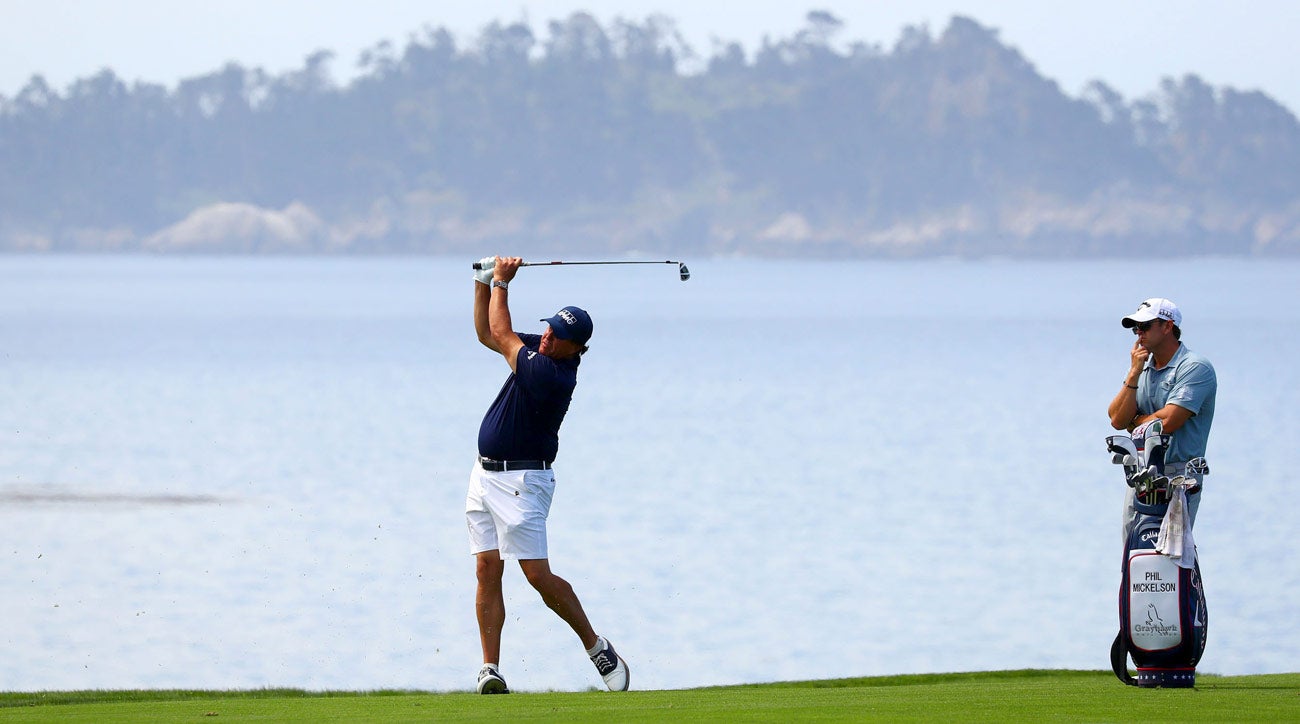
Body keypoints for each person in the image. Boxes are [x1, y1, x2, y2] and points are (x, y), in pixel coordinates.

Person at [465, 255, 629, 695]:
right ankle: (490, 669)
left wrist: (501, 281)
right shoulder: (545, 346)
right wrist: (482, 280)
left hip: (523, 483)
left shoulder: (554, 374)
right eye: (550, 327)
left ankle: (596, 647)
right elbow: (487, 334)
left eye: (558, 334)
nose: (549, 334)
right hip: (484, 478)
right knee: (486, 570)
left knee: (536, 575)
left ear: (576, 348)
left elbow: (500, 332)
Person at [1107, 297, 1217, 538]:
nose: (1138, 334)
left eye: (1145, 327)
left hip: (1179, 478)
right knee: (1134, 554)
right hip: (1140, 476)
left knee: (1170, 558)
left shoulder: (1195, 367)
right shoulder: (1141, 367)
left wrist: (1136, 422)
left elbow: (1168, 423)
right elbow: (1117, 418)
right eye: (1136, 328)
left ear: (1168, 326)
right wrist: (1135, 372)